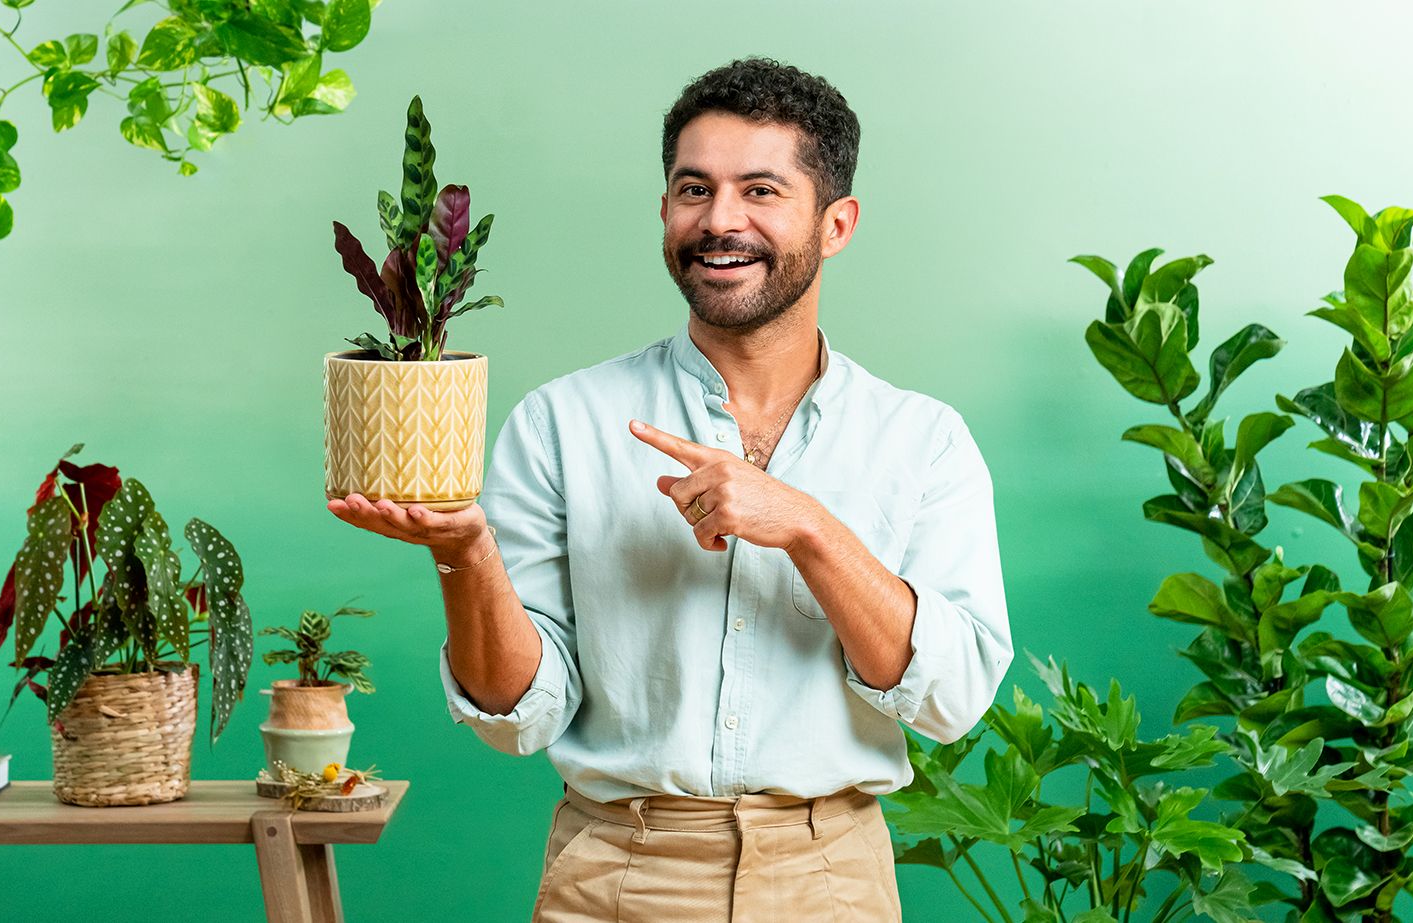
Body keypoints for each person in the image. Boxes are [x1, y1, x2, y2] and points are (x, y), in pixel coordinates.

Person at [327, 56, 1012, 923]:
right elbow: (516, 717)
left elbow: (951, 700)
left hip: (830, 880)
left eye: (760, 190)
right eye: (695, 189)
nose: (719, 221)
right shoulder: (561, 423)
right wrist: (466, 556)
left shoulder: (924, 440)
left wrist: (805, 526)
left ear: (835, 223)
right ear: (664, 210)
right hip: (616, 873)